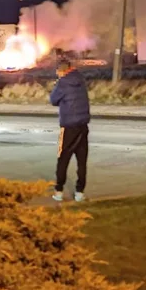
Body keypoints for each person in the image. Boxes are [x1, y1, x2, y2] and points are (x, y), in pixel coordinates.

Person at [48, 58, 90, 202]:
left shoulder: (63, 83)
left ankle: (59, 191)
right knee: (82, 161)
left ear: (61, 71)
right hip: (83, 126)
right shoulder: (80, 80)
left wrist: (56, 85)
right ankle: (80, 192)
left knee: (63, 159)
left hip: (69, 126)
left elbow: (53, 100)